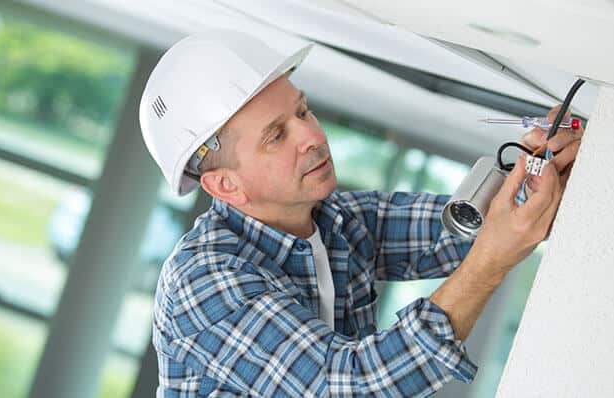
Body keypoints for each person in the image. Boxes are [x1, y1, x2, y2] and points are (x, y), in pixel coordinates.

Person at [139, 29, 583, 397]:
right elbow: (351, 388)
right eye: (276, 136)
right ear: (225, 185)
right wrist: (490, 262)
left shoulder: (335, 221)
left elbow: (459, 227)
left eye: (302, 111)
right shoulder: (204, 279)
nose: (312, 135)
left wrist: (535, 166)